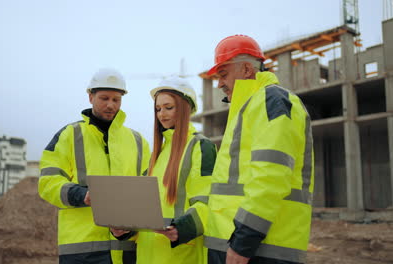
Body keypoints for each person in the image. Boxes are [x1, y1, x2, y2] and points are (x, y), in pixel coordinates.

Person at [203, 35, 314, 264]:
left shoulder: (271, 100)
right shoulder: (250, 106)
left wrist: (243, 242)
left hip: (258, 249)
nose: (219, 84)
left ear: (246, 69)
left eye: (223, 74)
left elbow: (271, 177)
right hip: (238, 244)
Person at [38, 68, 150, 264]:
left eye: (116, 100)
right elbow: (48, 182)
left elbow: (148, 192)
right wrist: (82, 195)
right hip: (81, 251)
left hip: (127, 249)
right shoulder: (69, 135)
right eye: (104, 98)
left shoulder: (138, 141)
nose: (110, 105)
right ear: (90, 97)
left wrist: (129, 229)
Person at [133, 76, 217, 264]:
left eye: (168, 107)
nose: (162, 114)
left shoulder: (201, 146)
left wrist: (181, 229)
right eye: (158, 109)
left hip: (180, 256)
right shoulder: (157, 155)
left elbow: (207, 201)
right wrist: (125, 229)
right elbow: (143, 208)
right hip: (147, 255)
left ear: (185, 108)